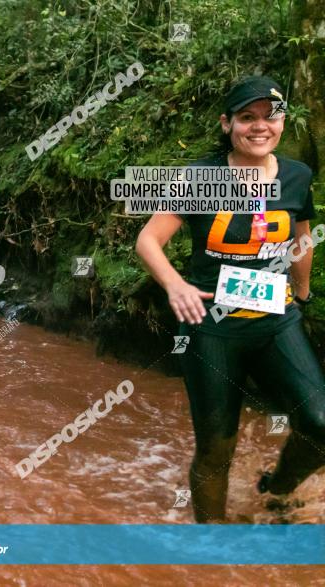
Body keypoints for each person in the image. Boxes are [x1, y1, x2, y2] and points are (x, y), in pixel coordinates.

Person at [135, 75, 325, 523]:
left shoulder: (297, 176)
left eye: (269, 116)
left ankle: (276, 489)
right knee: (217, 446)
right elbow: (148, 240)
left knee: (319, 424)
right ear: (227, 124)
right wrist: (175, 285)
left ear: (282, 122)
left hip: (276, 321)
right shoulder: (201, 178)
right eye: (247, 118)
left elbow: (302, 238)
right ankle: (213, 543)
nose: (260, 127)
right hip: (212, 327)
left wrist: (301, 294)